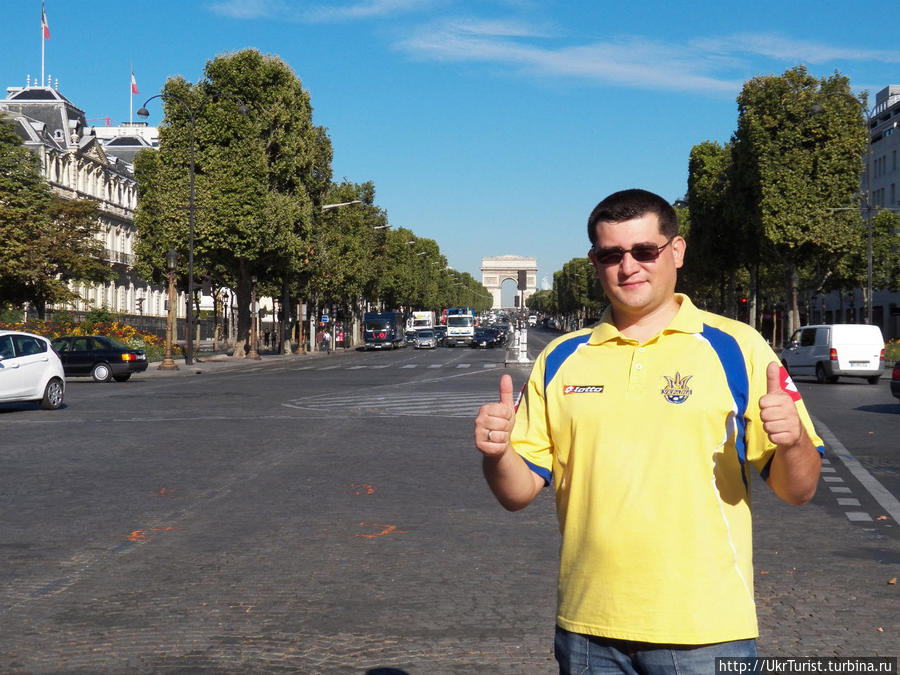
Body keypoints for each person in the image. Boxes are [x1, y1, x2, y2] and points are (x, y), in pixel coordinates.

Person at [474, 189, 823, 674]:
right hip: (587, 628)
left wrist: (794, 440)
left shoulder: (740, 347)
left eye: (644, 251)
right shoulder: (559, 358)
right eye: (612, 254)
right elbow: (517, 493)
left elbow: (800, 489)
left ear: (675, 252)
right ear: (594, 262)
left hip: (706, 629)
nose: (629, 266)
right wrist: (496, 454)